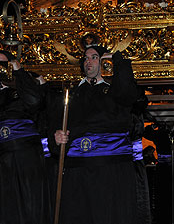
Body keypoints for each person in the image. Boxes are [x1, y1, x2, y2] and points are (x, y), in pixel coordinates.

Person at [52, 36, 141, 224]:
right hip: (79, 172)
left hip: (111, 170)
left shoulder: (115, 91)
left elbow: (128, 94)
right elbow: (54, 125)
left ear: (103, 62)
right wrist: (56, 136)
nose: (88, 62)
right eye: (85, 58)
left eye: (94, 57)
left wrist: (116, 58)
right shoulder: (71, 94)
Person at [0, 50, 51, 224]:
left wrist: (19, 72)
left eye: (2, 63)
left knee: (27, 207)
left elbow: (35, 102)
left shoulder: (24, 87)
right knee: (1, 209)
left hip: (25, 157)